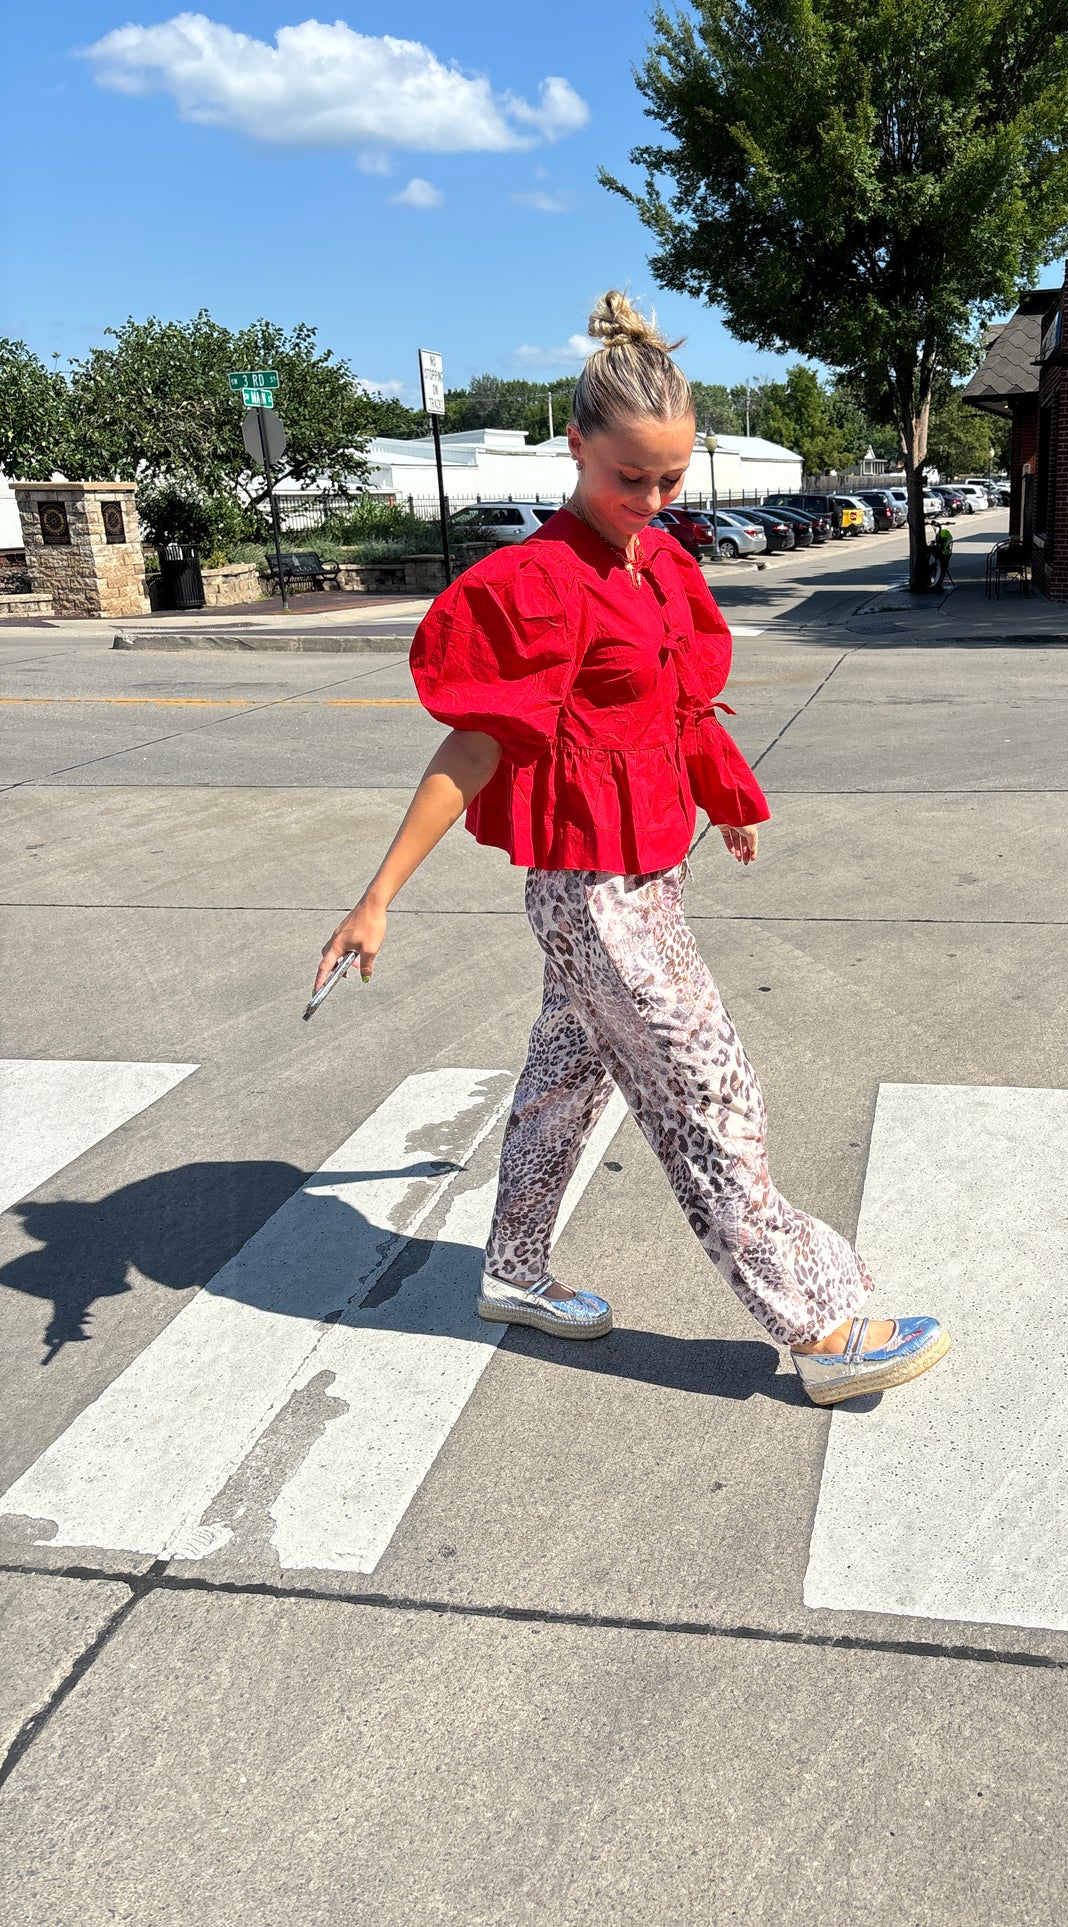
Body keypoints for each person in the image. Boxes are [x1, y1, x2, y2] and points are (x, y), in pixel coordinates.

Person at [314, 292, 949, 1408]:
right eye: (629, 480)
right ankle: (820, 1325)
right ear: (575, 448)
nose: (650, 502)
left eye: (670, 480)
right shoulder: (535, 585)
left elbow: (676, 711)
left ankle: (511, 1271)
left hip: (640, 881)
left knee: (563, 1087)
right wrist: (377, 897)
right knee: (707, 1092)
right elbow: (472, 749)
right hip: (591, 896)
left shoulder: (658, 565)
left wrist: (724, 794)